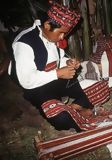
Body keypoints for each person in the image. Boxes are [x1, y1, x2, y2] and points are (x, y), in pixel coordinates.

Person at [8, 2, 95, 132]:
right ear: (47, 25)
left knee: (92, 90)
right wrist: (58, 73)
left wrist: (68, 63)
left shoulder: (51, 36)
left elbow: (59, 59)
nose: (62, 37)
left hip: (55, 79)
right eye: (61, 33)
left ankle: (72, 109)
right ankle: (70, 112)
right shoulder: (24, 43)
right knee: (61, 120)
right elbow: (27, 80)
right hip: (37, 87)